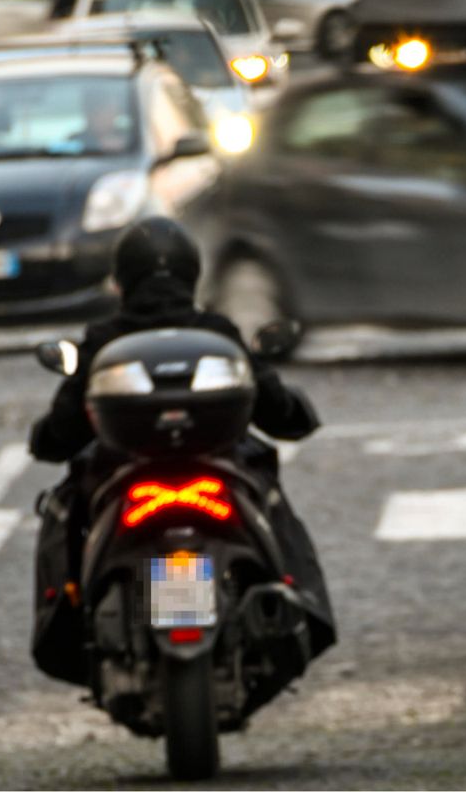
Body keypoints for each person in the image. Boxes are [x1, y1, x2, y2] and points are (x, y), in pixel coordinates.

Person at [28, 218, 331, 681]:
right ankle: (295, 597)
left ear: (120, 279)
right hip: (217, 473)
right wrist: (295, 412)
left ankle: (69, 620)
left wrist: (46, 437)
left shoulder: (103, 341)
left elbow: (59, 435)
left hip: (124, 479)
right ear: (194, 275)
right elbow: (281, 414)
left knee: (65, 508)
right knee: (271, 495)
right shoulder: (217, 332)